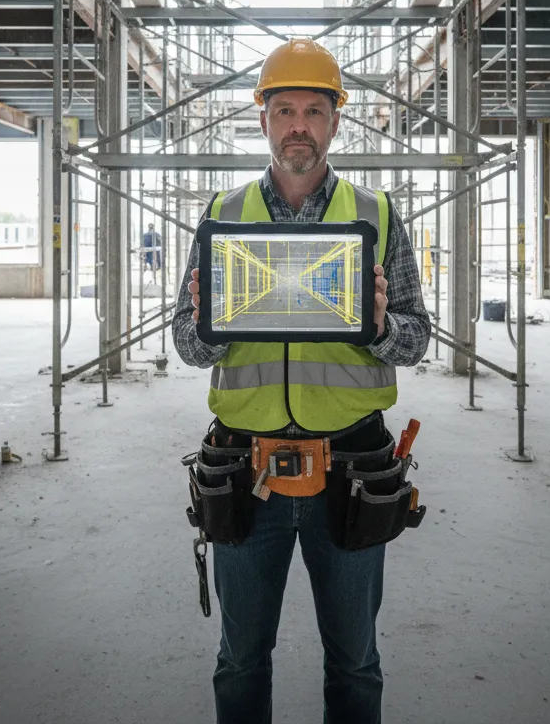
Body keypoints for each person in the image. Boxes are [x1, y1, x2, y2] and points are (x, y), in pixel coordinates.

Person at [172, 38, 430, 724]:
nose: (298, 125)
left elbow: (417, 339)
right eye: (284, 109)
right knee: (240, 662)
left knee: (354, 664)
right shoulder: (222, 217)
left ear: (335, 122)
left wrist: (379, 327)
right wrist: (211, 327)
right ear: (262, 119)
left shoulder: (375, 215)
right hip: (244, 469)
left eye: (313, 111)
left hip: (350, 469)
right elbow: (188, 348)